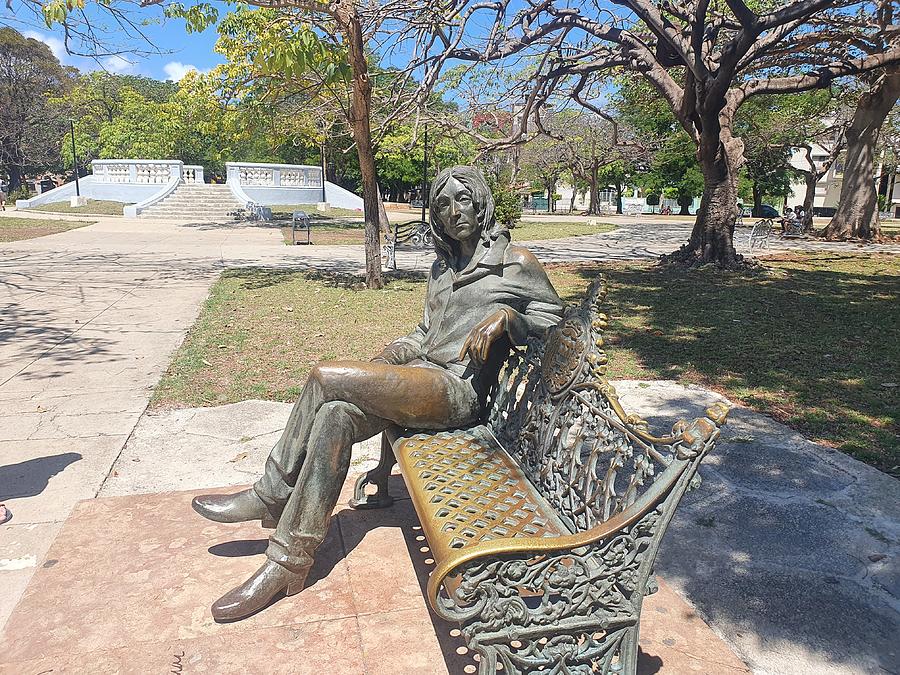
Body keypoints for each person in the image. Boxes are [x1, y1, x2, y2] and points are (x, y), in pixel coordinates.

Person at [191, 166, 565, 622]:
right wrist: (391, 355)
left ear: (481, 203)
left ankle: (271, 494)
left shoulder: (515, 263)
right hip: (420, 380)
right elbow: (427, 333)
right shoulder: (442, 269)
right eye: (443, 205)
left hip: (456, 394)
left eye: (462, 200)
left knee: (326, 376)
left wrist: (509, 317)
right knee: (335, 415)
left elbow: (558, 324)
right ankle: (287, 562)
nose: (454, 211)